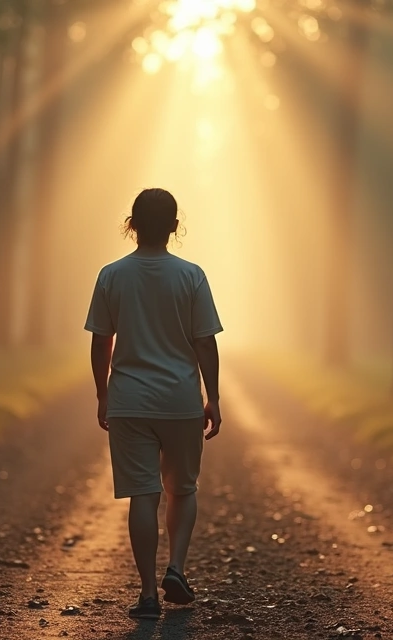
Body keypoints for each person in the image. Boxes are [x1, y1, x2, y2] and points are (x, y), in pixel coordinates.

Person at [84, 188, 223, 620]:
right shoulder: (191, 276)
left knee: (143, 495)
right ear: (174, 227)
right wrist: (213, 397)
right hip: (180, 400)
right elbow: (204, 341)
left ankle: (147, 593)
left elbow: (101, 340)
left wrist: (104, 394)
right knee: (182, 488)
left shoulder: (111, 275)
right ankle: (176, 567)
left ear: (132, 224)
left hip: (129, 400)